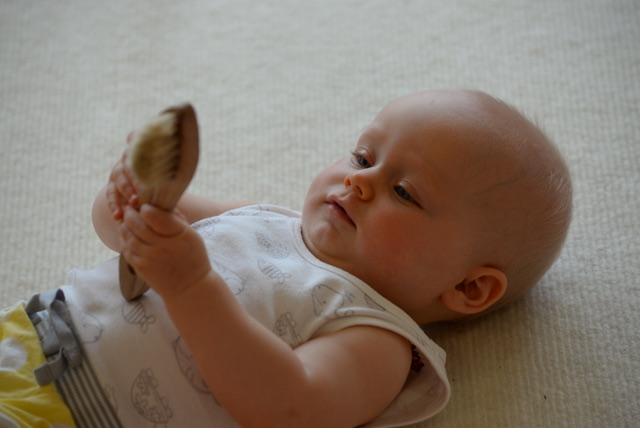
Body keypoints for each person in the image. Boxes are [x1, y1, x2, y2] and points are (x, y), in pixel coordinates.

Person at [0, 89, 572, 428]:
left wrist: (192, 284)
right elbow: (120, 229)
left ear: (469, 289)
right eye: (363, 154)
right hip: (27, 340)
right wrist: (131, 197)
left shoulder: (379, 340)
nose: (359, 180)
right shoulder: (267, 218)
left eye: (405, 192)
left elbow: (288, 406)